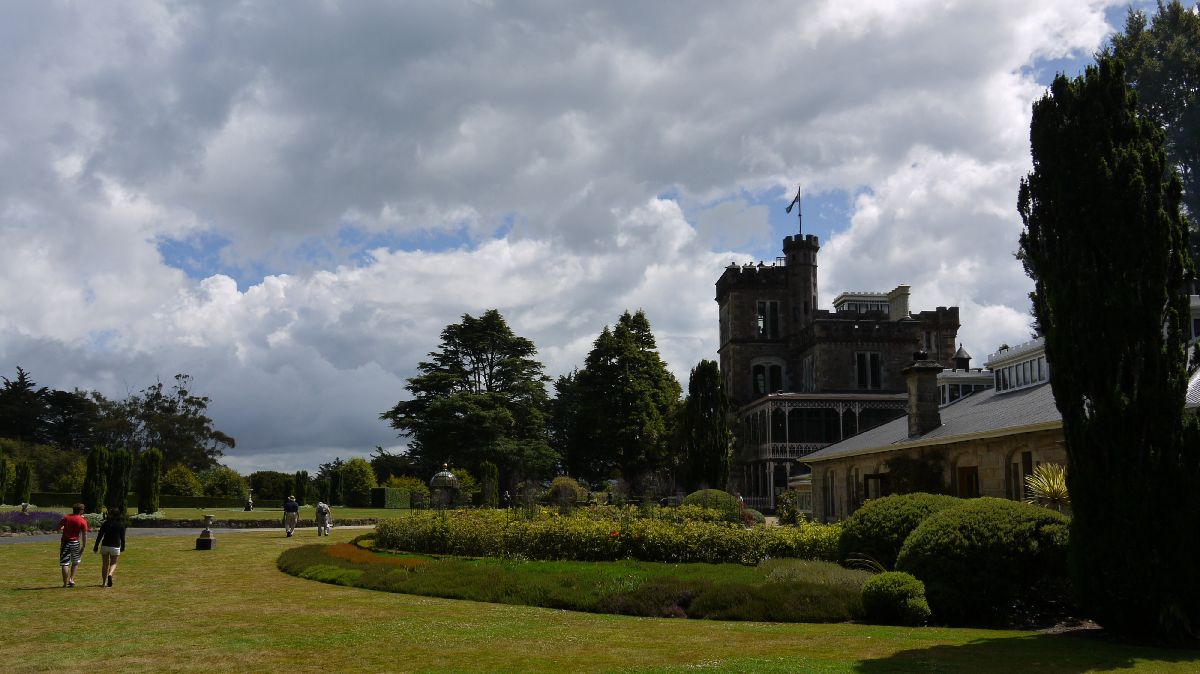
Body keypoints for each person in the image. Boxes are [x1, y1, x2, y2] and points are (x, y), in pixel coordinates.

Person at [93, 508, 127, 587]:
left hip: (105, 545)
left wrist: (96, 546)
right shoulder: (121, 525)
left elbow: (100, 536)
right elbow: (122, 538)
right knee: (114, 563)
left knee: (105, 564)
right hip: (115, 546)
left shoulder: (105, 523)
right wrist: (123, 547)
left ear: (111, 515)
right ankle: (110, 574)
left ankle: (104, 582)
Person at [57, 503, 89, 588]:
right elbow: (84, 534)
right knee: (75, 561)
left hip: (65, 542)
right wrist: (84, 545)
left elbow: (59, 527)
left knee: (65, 563)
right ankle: (71, 579)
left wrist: (64, 528)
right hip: (75, 543)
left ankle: (64, 583)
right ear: (80, 510)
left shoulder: (66, 517)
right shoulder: (82, 520)